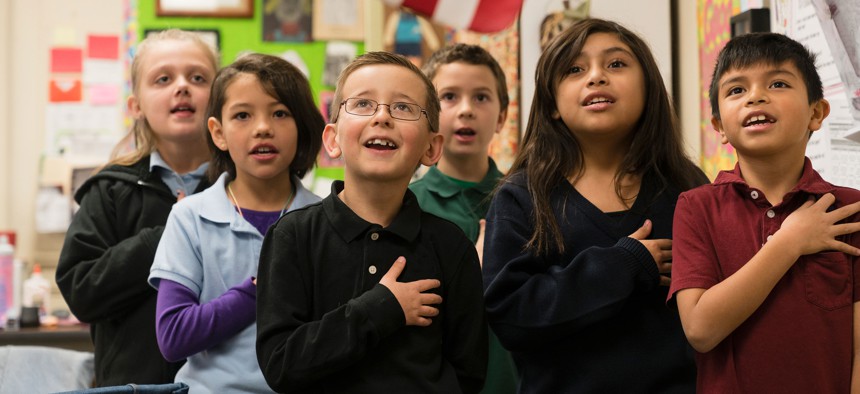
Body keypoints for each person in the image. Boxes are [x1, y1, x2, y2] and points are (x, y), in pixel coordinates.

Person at [482, 19, 706, 393]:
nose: (597, 77)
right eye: (574, 69)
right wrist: (624, 264)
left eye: (616, 64)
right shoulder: (522, 196)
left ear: (649, 88)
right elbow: (511, 317)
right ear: (552, 105)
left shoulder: (687, 186)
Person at [256, 51, 488, 393]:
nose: (382, 117)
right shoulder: (293, 236)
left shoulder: (451, 247)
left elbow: (469, 372)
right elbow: (281, 364)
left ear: (431, 147)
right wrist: (381, 308)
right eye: (363, 104)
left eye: (404, 107)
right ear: (332, 139)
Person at [669, 32, 860, 393]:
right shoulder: (696, 208)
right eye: (736, 90)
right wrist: (789, 242)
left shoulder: (850, 208)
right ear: (719, 127)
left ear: (816, 113)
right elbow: (700, 330)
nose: (756, 96)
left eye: (777, 83)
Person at [146, 53, 324, 393]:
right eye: (242, 115)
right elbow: (173, 336)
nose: (262, 128)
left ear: (302, 127)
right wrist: (262, 288)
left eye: (280, 113)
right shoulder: (191, 217)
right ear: (218, 132)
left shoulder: (326, 219)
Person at [55, 29, 218, 386]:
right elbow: (81, 292)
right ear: (136, 107)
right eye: (163, 78)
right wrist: (168, 236)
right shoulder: (110, 190)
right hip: (133, 386)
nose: (182, 87)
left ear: (220, 98)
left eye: (198, 77)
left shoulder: (243, 188)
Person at [410, 43, 517, 394]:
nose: (466, 110)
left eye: (482, 97)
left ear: (502, 117)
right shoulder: (408, 206)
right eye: (449, 97)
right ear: (427, 114)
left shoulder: (527, 202)